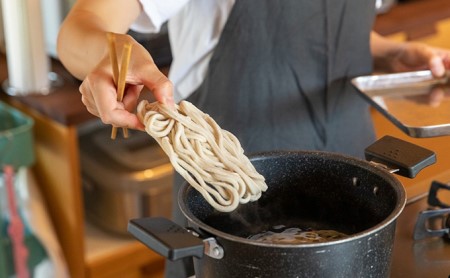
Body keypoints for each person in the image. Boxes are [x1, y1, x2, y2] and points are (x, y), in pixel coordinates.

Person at [57, 1, 450, 277]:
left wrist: (392, 54)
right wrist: (106, 56)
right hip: (226, 178)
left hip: (350, 148)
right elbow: (84, 23)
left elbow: (326, 27)